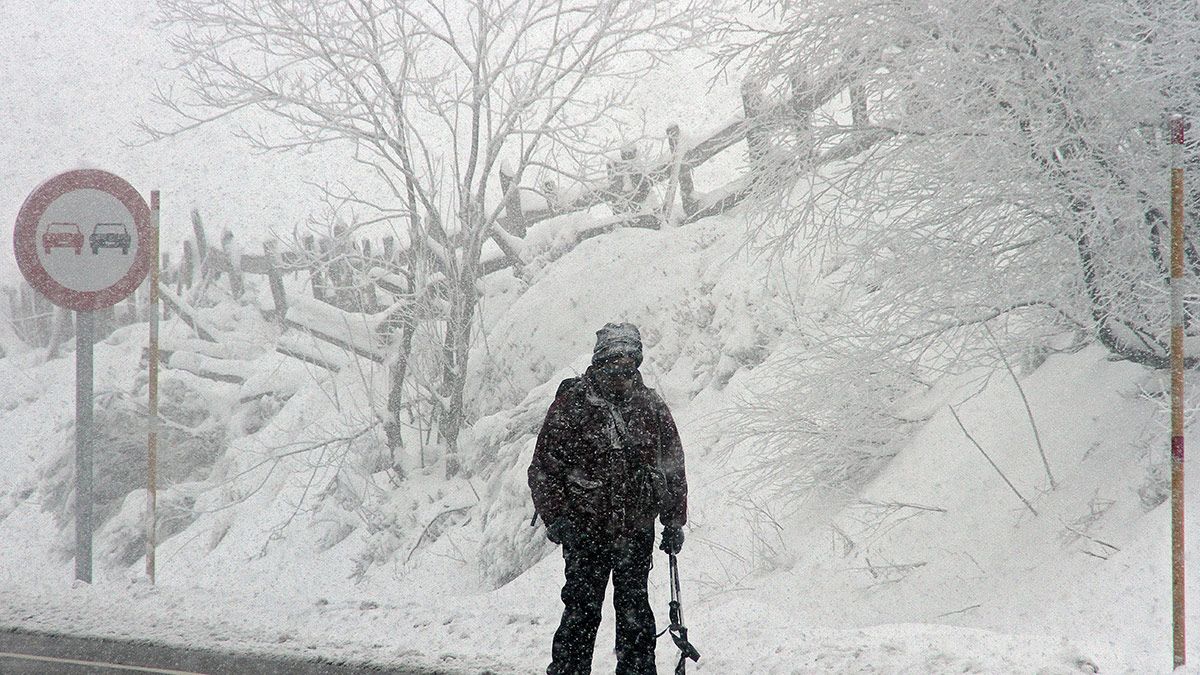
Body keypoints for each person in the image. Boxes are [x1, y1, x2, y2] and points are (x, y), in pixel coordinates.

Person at [528, 322, 688, 675]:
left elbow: (672, 466)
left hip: (634, 530)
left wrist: (674, 521)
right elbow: (543, 469)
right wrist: (559, 521)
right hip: (585, 532)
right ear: (599, 363)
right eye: (615, 364)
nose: (623, 373)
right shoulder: (572, 406)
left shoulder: (651, 408)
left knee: (634, 613)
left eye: (630, 365)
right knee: (581, 612)